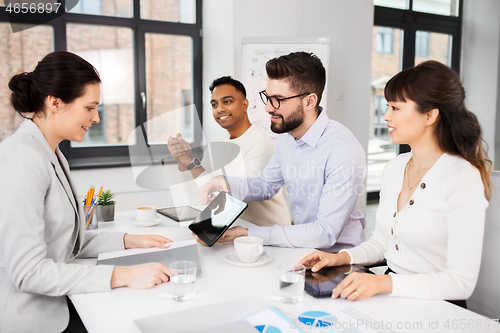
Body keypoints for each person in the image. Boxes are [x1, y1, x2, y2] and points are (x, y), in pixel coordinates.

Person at [0, 51, 173, 333]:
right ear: (55, 103)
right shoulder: (21, 159)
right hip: (35, 317)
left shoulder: (51, 152)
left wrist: (130, 240)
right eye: (89, 108)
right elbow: (29, 272)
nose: (96, 119)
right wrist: (123, 274)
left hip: (63, 301)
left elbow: (66, 241)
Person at [299, 60, 491, 306]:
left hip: (439, 307)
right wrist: (340, 258)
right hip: (394, 298)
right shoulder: (396, 167)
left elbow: (461, 283)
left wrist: (384, 283)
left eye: (395, 108)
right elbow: (382, 242)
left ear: (430, 115)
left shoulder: (461, 178)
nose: (386, 116)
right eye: (387, 106)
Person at [199, 52, 367, 251]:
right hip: (300, 249)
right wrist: (225, 183)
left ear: (309, 101)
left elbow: (325, 233)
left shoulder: (343, 150)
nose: (268, 109)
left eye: (278, 99)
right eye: (267, 98)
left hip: (338, 260)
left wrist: (248, 233)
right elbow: (266, 185)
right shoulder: (287, 137)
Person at [167, 76, 291, 227]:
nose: (219, 109)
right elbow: (199, 194)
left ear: (245, 105)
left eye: (227, 101)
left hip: (266, 232)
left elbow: (232, 199)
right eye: (214, 104)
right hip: (233, 228)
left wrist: (191, 162)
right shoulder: (217, 142)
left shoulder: (260, 144)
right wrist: (183, 161)